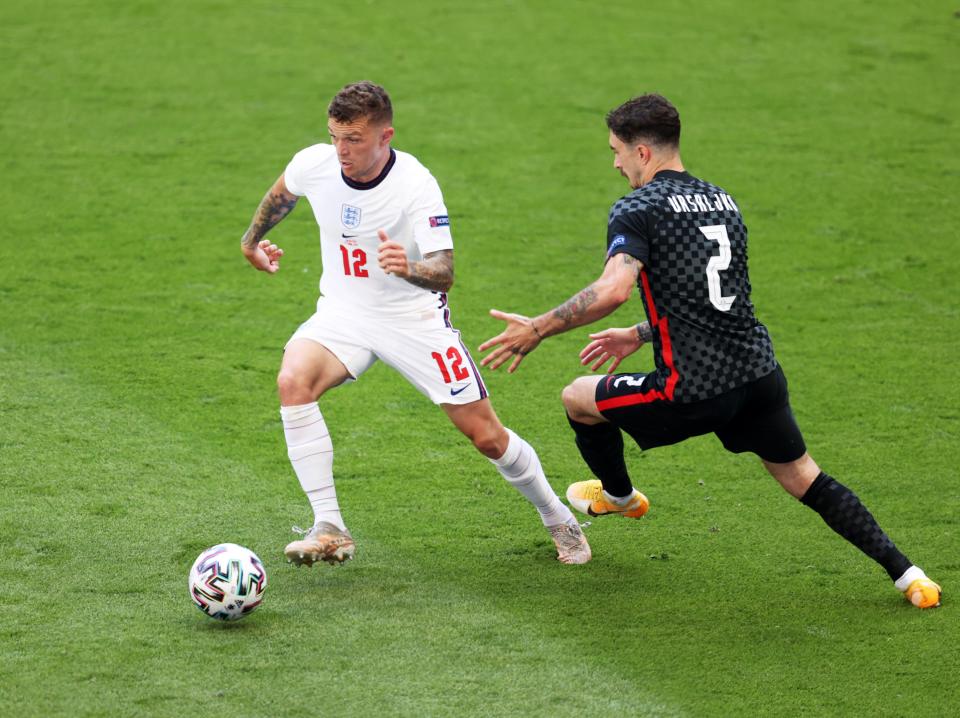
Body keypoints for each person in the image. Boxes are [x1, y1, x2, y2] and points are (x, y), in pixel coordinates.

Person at [479, 93, 941, 607]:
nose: (614, 162)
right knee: (806, 478)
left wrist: (538, 329)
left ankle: (620, 497)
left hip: (694, 389)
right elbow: (719, 298)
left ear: (644, 153)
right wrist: (642, 333)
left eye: (617, 151)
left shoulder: (638, 208)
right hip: (758, 377)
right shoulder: (723, 200)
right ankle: (910, 576)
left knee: (576, 397)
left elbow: (611, 290)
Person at [239, 81, 590, 567]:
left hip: (413, 320)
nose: (342, 149)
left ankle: (558, 518)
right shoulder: (316, 162)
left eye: (355, 139)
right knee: (292, 381)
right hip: (343, 312)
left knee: (486, 435)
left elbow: (445, 273)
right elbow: (283, 193)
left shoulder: (416, 185)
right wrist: (251, 240)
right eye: (336, 136)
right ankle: (330, 526)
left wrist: (407, 266)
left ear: (386, 136)